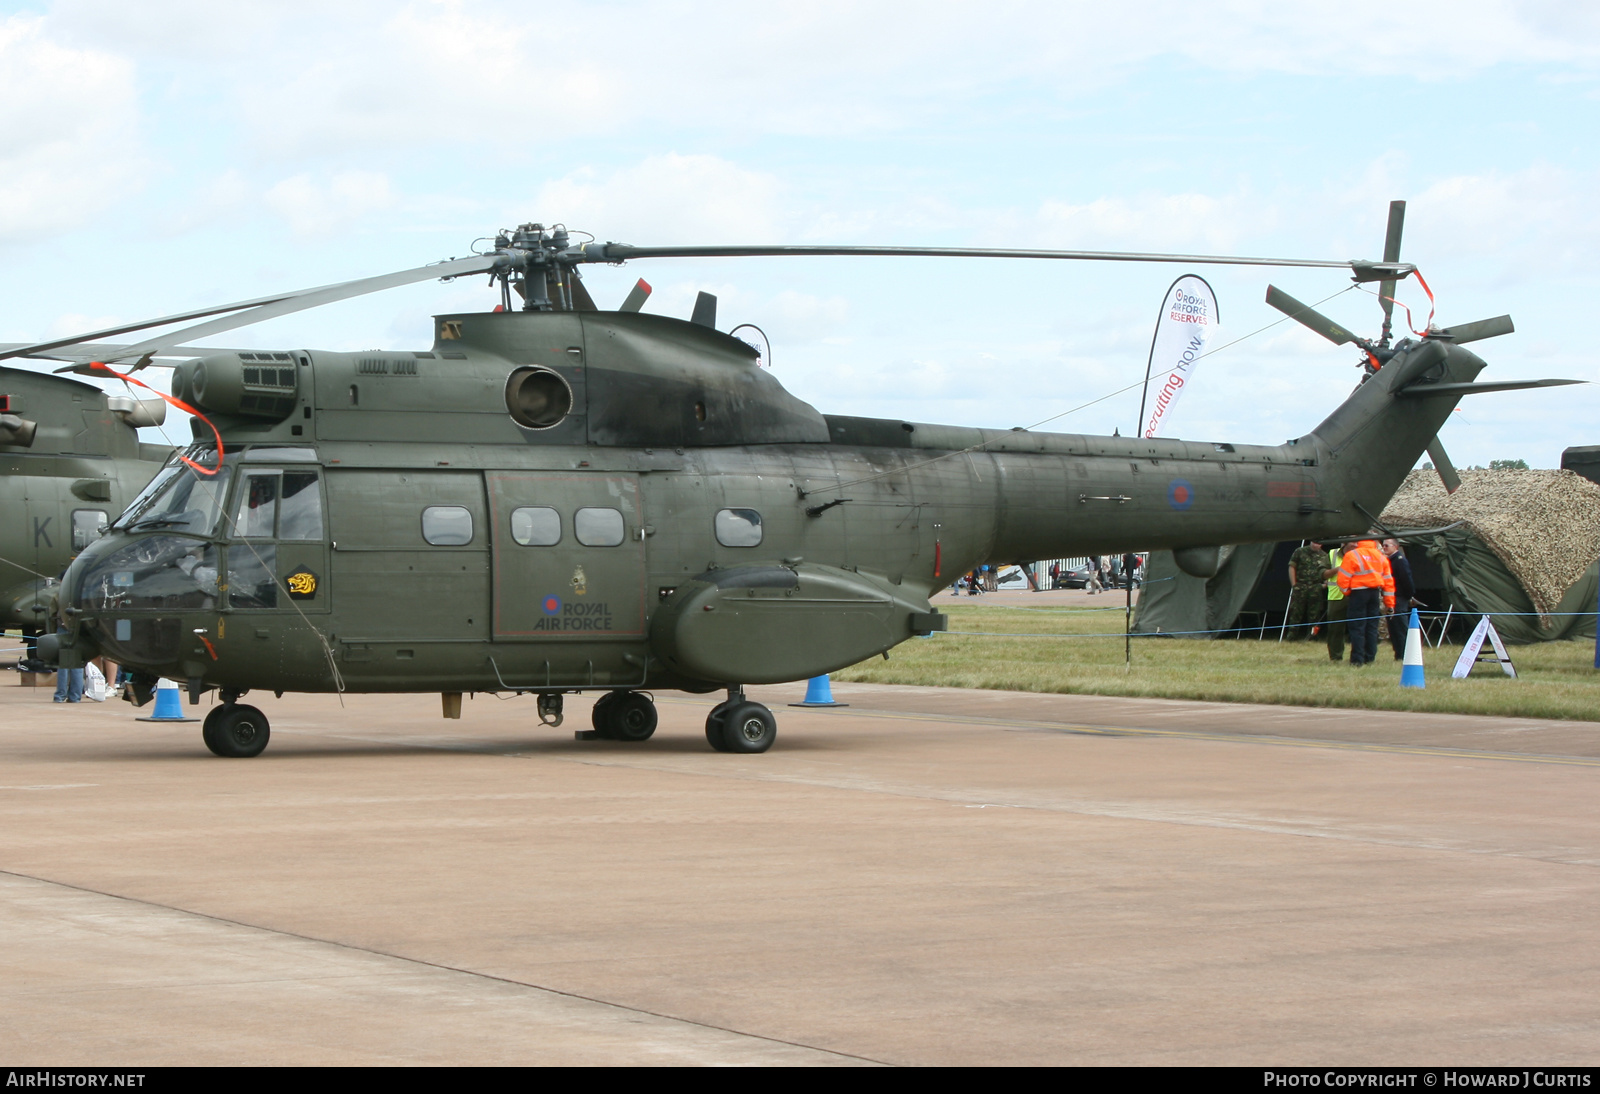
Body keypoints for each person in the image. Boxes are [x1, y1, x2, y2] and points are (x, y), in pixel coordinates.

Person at [1337, 534, 1396, 667]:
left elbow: (1342, 580)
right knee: (1372, 627)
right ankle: (1370, 658)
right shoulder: (1381, 557)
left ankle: (1357, 660)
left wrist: (1348, 592)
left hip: (1358, 594)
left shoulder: (1353, 555)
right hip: (1374, 594)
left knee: (1357, 627)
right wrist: (1390, 604)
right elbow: (1388, 583)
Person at [1285, 540, 1327, 641]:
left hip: (1315, 588)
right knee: (1296, 613)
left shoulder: (1324, 556)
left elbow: (1326, 571)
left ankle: (1312, 637)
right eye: (1314, 542)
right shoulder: (1300, 551)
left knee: (1315, 615)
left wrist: (1325, 585)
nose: (1316, 544)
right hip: (1301, 586)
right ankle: (1291, 637)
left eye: (1318, 542)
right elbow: (1292, 567)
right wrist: (1294, 585)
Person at [1383, 539, 1417, 660]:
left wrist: (1408, 595)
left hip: (1399, 597)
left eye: (1387, 545)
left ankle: (1404, 654)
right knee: (1393, 628)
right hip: (1391, 597)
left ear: (1395, 546)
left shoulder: (1399, 561)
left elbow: (1406, 579)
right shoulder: (1389, 560)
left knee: (1400, 627)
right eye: (1383, 545)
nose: (1384, 548)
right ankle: (1398, 653)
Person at [1323, 543, 1347, 661]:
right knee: (1335, 629)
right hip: (1336, 597)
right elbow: (1322, 574)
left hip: (1356, 596)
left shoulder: (1361, 553)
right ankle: (1335, 657)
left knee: (1358, 628)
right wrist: (1337, 570)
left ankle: (1359, 657)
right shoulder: (1332, 554)